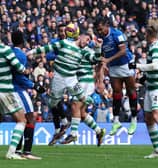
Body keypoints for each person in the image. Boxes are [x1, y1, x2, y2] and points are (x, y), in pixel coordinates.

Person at [27, 23, 105, 146]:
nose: (88, 42)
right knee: (82, 113)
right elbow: (49, 49)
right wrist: (32, 52)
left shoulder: (87, 50)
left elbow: (97, 60)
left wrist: (98, 48)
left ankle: (73, 134)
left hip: (83, 81)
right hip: (72, 79)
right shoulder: (68, 45)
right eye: (86, 39)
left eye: (90, 40)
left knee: (75, 104)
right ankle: (99, 131)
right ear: (78, 36)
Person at [129, 23, 158, 159]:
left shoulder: (157, 47)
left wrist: (137, 66)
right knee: (149, 119)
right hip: (151, 87)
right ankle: (157, 151)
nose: (144, 35)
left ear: (149, 34)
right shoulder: (154, 46)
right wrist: (142, 79)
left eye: (145, 33)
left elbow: (156, 66)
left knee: (157, 116)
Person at [95, 18, 138, 135]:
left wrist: (108, 60)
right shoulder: (100, 39)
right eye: (98, 30)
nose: (100, 32)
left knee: (131, 91)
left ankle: (134, 119)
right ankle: (116, 121)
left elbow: (123, 51)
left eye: (101, 29)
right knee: (116, 93)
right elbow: (101, 56)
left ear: (106, 25)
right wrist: (101, 76)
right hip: (114, 67)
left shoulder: (117, 34)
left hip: (126, 64)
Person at [11, 31, 42, 160]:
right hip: (18, 89)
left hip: (8, 89)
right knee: (30, 117)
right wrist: (34, 85)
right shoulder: (20, 55)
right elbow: (19, 77)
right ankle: (26, 151)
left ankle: (17, 150)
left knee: (20, 119)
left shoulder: (9, 52)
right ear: (22, 41)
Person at [0, 41, 27, 160]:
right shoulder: (5, 50)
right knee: (21, 120)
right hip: (5, 90)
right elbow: (19, 68)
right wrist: (26, 70)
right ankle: (11, 152)